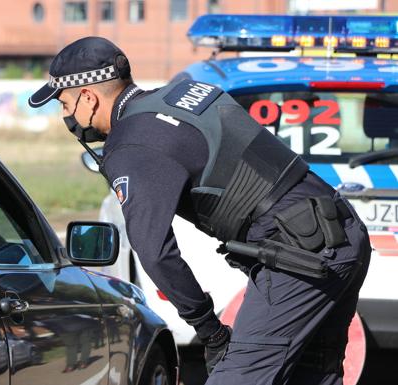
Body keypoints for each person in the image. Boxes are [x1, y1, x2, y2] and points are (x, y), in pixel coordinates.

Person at [28, 36, 371, 385]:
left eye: (65, 103)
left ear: (88, 97)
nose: (65, 115)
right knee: (310, 377)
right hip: (342, 230)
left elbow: (155, 252)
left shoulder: (131, 145)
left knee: (236, 378)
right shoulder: (182, 94)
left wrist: (210, 330)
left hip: (301, 256)